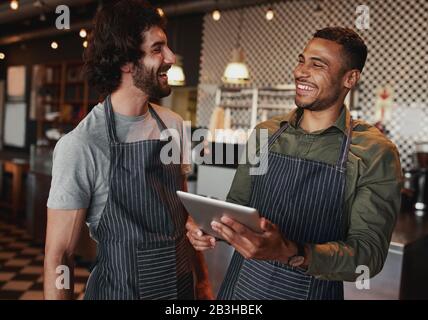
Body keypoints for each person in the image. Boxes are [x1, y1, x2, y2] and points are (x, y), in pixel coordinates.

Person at [186, 27, 402, 300]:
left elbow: (367, 257)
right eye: (301, 60)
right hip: (240, 290)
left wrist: (291, 252)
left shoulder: (375, 152)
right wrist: (210, 228)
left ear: (350, 78)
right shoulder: (265, 133)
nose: (301, 71)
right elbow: (237, 208)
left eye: (317, 64)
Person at [44, 0, 212, 300]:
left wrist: (202, 282)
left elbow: (181, 214)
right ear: (124, 61)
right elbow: (59, 257)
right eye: (157, 49)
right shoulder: (81, 145)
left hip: (181, 292)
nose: (171, 57)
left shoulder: (173, 124)